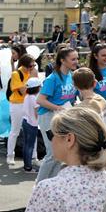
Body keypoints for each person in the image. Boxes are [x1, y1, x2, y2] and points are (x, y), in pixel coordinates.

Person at [36, 47, 79, 182]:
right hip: (49, 117)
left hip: (63, 118)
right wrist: (59, 108)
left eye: (77, 58)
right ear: (62, 60)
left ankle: (52, 185)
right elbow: (40, 100)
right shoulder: (52, 78)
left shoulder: (72, 76)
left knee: (61, 154)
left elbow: (73, 98)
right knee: (52, 154)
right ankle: (39, 187)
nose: (76, 61)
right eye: (73, 59)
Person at [6, 54, 37, 166]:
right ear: (24, 65)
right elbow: (24, 91)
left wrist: (33, 76)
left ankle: (34, 156)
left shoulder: (32, 73)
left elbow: (36, 89)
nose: (32, 67)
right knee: (15, 130)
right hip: (17, 104)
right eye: (30, 65)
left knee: (33, 129)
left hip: (30, 103)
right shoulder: (16, 74)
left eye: (34, 65)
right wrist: (32, 78)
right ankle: (10, 155)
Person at [21, 78, 42, 172]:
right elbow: (37, 112)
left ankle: (26, 165)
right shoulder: (34, 98)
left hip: (25, 121)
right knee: (30, 146)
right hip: (32, 124)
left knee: (26, 145)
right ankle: (28, 167)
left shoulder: (27, 96)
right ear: (36, 88)